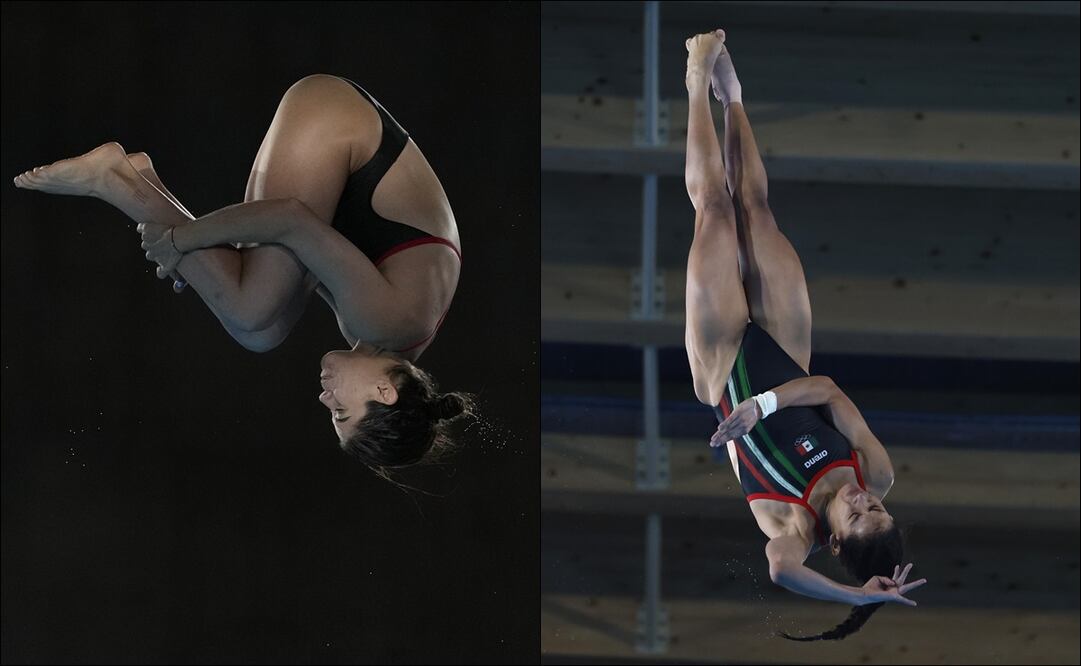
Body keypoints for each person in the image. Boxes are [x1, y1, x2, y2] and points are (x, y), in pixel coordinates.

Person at [14, 74, 471, 475]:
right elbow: (289, 221)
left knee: (261, 329)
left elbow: (307, 257)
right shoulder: (385, 321)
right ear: (385, 391)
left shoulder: (385, 335)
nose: (324, 399)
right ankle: (114, 180)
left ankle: (132, 179)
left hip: (339, 134)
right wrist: (181, 242)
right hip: (332, 119)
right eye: (341, 413)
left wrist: (207, 275)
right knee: (253, 309)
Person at [681, 30, 928, 640]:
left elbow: (781, 572)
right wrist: (766, 404)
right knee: (757, 208)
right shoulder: (875, 471)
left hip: (723, 369)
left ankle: (695, 80)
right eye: (877, 507)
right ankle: (734, 98)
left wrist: (854, 596)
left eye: (858, 516)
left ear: (835, 541)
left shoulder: (792, 529)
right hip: (787, 360)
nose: (864, 500)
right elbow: (829, 391)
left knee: (715, 210)